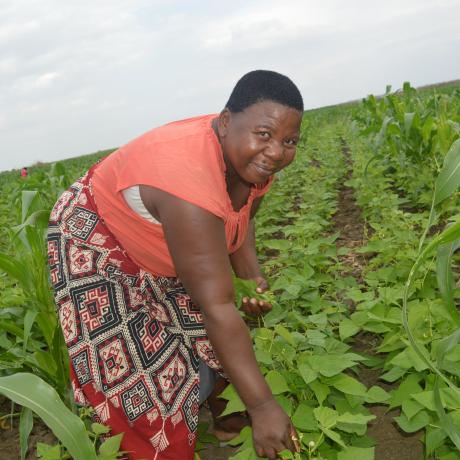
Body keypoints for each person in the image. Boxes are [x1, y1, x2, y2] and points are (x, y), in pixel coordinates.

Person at [47, 70, 303, 460]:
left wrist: (251, 277)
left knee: (209, 332)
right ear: (225, 122)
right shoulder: (188, 182)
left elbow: (243, 217)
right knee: (141, 377)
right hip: (97, 237)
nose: (276, 152)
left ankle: (228, 427)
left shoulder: (253, 164)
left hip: (167, 236)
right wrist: (264, 407)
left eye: (290, 141)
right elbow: (216, 306)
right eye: (264, 134)